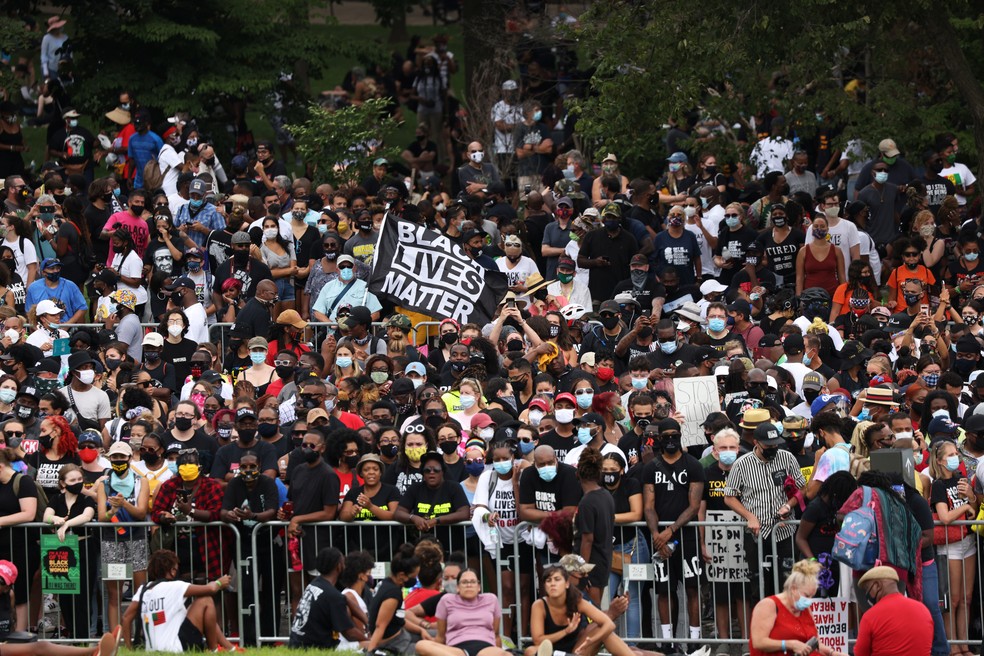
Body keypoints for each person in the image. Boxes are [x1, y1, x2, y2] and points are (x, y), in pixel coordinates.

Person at [121, 549, 237, 652]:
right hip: (176, 647)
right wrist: (219, 582)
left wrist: (129, 649)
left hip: (151, 649)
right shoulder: (176, 586)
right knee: (205, 600)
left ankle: (229, 648)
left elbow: (126, 618)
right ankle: (214, 650)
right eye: (176, 569)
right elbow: (211, 589)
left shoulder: (143, 589)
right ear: (172, 571)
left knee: (187, 610)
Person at [524, 565, 633, 656]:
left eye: (557, 579)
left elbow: (609, 625)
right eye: (548, 580)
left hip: (576, 652)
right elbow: (538, 640)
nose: (552, 583)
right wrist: (566, 631)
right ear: (545, 586)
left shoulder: (577, 601)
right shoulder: (539, 605)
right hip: (549, 652)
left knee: (603, 631)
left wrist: (591, 640)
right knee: (530, 651)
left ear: (567, 584)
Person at [748, 559, 849, 656]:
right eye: (806, 595)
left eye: (812, 596)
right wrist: (789, 644)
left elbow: (815, 644)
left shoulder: (804, 609)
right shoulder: (768, 605)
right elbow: (758, 642)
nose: (809, 600)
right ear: (793, 589)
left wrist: (832, 653)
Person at [415, 567, 510, 656]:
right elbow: (441, 636)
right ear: (457, 587)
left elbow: (496, 634)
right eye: (464, 582)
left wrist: (500, 651)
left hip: (486, 648)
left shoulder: (491, 599)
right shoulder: (447, 600)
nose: (469, 585)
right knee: (421, 645)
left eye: (473, 582)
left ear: (479, 587)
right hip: (456, 649)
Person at [289, 546, 367, 649]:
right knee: (370, 645)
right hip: (315, 648)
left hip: (297, 644)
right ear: (338, 566)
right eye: (343, 562)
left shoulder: (315, 584)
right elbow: (350, 634)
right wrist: (371, 640)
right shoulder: (332, 596)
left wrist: (368, 622)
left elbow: (344, 599)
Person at [854, 566, 934, 656]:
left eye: (868, 589)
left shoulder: (870, 617)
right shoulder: (923, 610)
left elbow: (860, 654)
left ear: (877, 586)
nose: (867, 594)